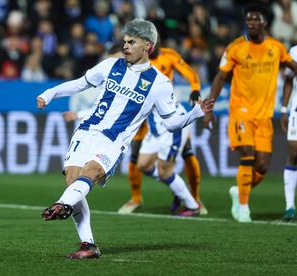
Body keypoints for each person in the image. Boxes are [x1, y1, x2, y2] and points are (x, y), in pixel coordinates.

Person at [37, 18, 214, 259]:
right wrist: (50, 93)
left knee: (91, 173)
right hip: (86, 131)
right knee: (73, 181)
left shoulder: (160, 84)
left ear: (148, 46)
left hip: (113, 141)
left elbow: (172, 123)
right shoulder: (110, 65)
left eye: (132, 42)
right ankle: (88, 245)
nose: (126, 46)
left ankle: (61, 204)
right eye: (125, 41)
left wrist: (196, 112)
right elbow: (79, 85)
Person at [204, 3, 297, 222]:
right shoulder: (236, 47)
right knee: (247, 154)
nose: (252, 23)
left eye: (256, 20)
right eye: (249, 20)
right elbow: (219, 77)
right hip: (241, 112)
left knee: (263, 165)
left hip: (264, 116)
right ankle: (244, 208)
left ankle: (240, 191)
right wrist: (209, 107)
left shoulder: (276, 47)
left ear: (265, 22)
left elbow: (293, 67)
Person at [118, 43, 206, 215]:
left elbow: (190, 74)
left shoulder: (166, 60)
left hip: (169, 120)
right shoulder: (134, 64)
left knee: (181, 159)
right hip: (152, 123)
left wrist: (195, 92)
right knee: (142, 164)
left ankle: (193, 203)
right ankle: (176, 187)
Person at [137, 99, 201, 216]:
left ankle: (193, 206)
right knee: (143, 165)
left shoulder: (154, 84)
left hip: (172, 126)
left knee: (164, 172)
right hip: (155, 128)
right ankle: (177, 185)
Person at [281, 45, 297, 221]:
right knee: (293, 152)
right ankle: (289, 206)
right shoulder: (294, 52)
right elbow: (288, 80)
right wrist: (284, 109)